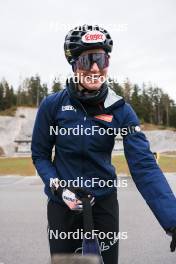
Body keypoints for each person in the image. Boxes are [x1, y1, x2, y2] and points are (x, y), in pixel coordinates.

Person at [31, 25, 176, 264]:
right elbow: (40, 156)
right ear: (74, 64)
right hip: (63, 205)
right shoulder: (53, 105)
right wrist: (60, 188)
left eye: (101, 58)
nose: (96, 68)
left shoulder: (120, 108)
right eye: (88, 60)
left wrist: (172, 219)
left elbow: (144, 165)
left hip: (103, 205)